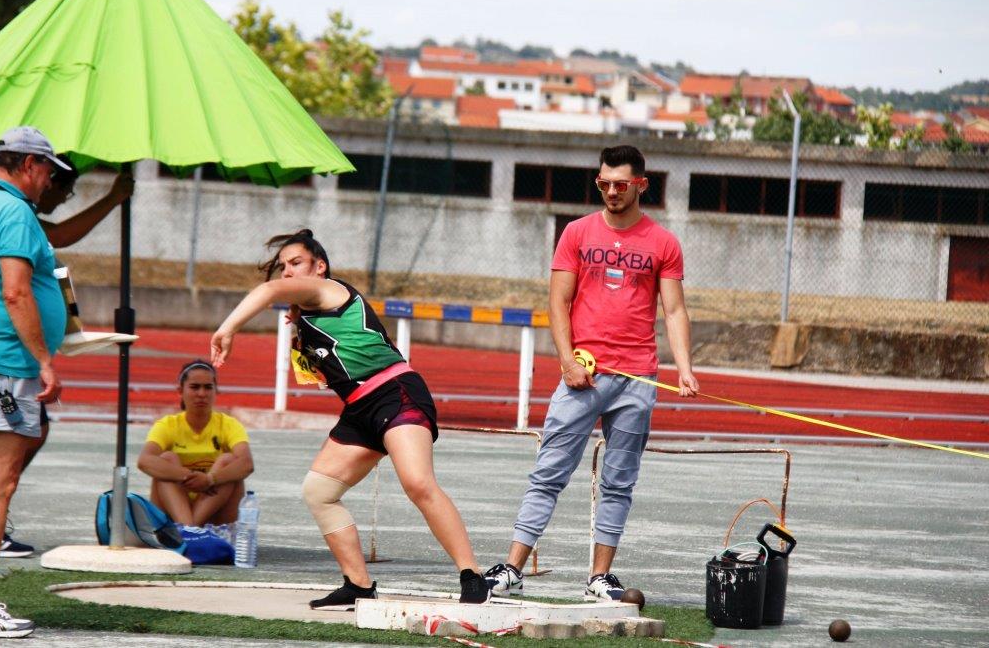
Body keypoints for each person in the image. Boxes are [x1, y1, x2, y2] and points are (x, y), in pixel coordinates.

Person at [210, 229, 490, 607]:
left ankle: (472, 575)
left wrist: (227, 328)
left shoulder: (327, 289)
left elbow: (268, 292)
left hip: (395, 393)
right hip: (360, 408)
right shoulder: (308, 310)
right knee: (319, 491)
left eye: (296, 264)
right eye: (282, 267)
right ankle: (358, 585)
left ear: (319, 267)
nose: (287, 273)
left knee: (418, 483)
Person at [484, 145, 700, 602]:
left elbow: (675, 310)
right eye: (603, 183)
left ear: (641, 185)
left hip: (638, 378)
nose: (611, 192)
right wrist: (566, 360)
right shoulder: (577, 233)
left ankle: (599, 577)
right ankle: (513, 567)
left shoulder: (663, 243)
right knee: (549, 472)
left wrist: (684, 368)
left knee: (619, 481)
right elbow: (557, 302)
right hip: (583, 374)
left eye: (620, 184)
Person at [0, 156, 134, 558]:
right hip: (1, 354)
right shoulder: (17, 214)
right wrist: (113, 198)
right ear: (43, 175)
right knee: (16, 438)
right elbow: (60, 236)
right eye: (63, 190)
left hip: (9, 351)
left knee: (28, 431)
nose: (60, 198)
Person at [0, 126, 70, 638]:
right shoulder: (14, 212)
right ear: (28, 164)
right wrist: (44, 359)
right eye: (48, 170)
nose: (50, 181)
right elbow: (15, 292)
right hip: (2, 365)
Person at [136, 361, 254, 528]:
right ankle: (189, 528)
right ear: (180, 391)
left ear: (216, 391)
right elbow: (144, 461)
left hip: (215, 511)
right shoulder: (168, 425)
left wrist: (209, 479)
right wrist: (187, 476)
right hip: (174, 510)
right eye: (194, 387)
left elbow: (246, 464)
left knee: (229, 461)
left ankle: (189, 530)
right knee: (166, 458)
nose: (201, 393)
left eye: (208, 387)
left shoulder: (229, 425)